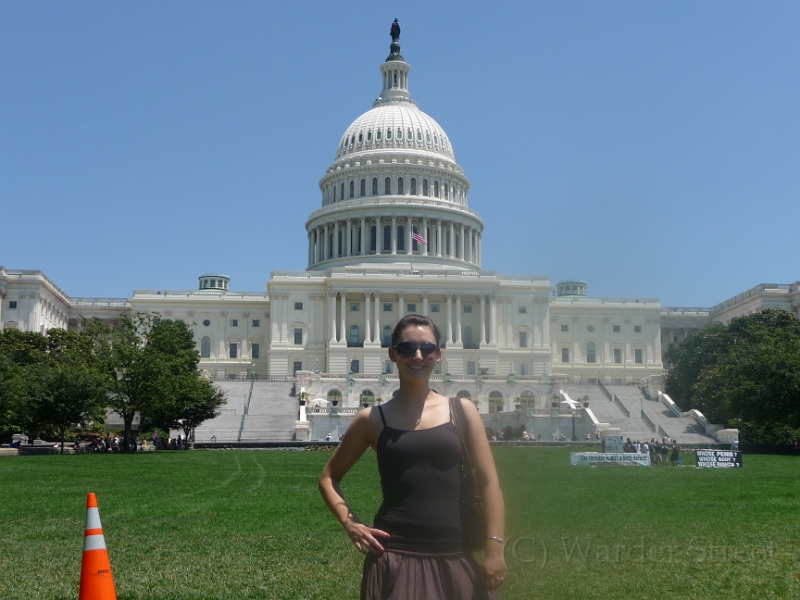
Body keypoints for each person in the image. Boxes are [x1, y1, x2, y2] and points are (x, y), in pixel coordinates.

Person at [319, 314, 506, 599]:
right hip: (394, 553)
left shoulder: (463, 410)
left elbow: (490, 482)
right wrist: (350, 522)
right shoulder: (372, 419)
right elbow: (329, 478)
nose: (417, 356)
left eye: (427, 348)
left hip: (455, 551)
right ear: (392, 354)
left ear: (438, 355)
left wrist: (494, 549)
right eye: (406, 348)